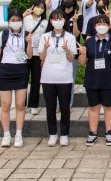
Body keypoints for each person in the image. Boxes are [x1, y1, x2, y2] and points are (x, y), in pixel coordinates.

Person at [78, 15, 111, 146]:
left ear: (109, 27)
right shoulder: (89, 42)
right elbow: (82, 63)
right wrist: (82, 53)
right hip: (92, 79)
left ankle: (109, 132)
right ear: (95, 26)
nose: (101, 26)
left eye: (104, 23)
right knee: (93, 107)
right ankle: (92, 133)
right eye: (99, 24)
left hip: (109, 79)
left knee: (109, 107)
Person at [0, 9, 32, 148]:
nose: (15, 23)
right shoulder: (2, 35)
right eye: (12, 20)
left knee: (20, 105)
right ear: (8, 22)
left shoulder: (26, 35)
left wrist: (29, 43)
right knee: (6, 105)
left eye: (17, 20)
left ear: (22, 21)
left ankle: (19, 134)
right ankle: (6, 134)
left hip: (21, 71)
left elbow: (30, 56)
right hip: (5, 71)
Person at [37, 9, 77, 147]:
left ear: (64, 20)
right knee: (50, 108)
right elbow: (41, 58)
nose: (58, 21)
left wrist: (67, 50)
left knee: (65, 107)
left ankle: (64, 134)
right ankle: (52, 134)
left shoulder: (70, 37)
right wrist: (45, 48)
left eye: (60, 18)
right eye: (55, 18)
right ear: (51, 21)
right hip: (48, 78)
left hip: (64, 78)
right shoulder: (45, 37)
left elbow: (72, 59)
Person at [23, 0, 48, 116]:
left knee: (36, 80)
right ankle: (21, 104)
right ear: (33, 6)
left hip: (38, 54)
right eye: (37, 6)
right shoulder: (26, 18)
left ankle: (33, 105)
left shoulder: (45, 22)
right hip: (24, 52)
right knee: (23, 79)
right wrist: (24, 14)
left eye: (42, 7)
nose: (39, 9)